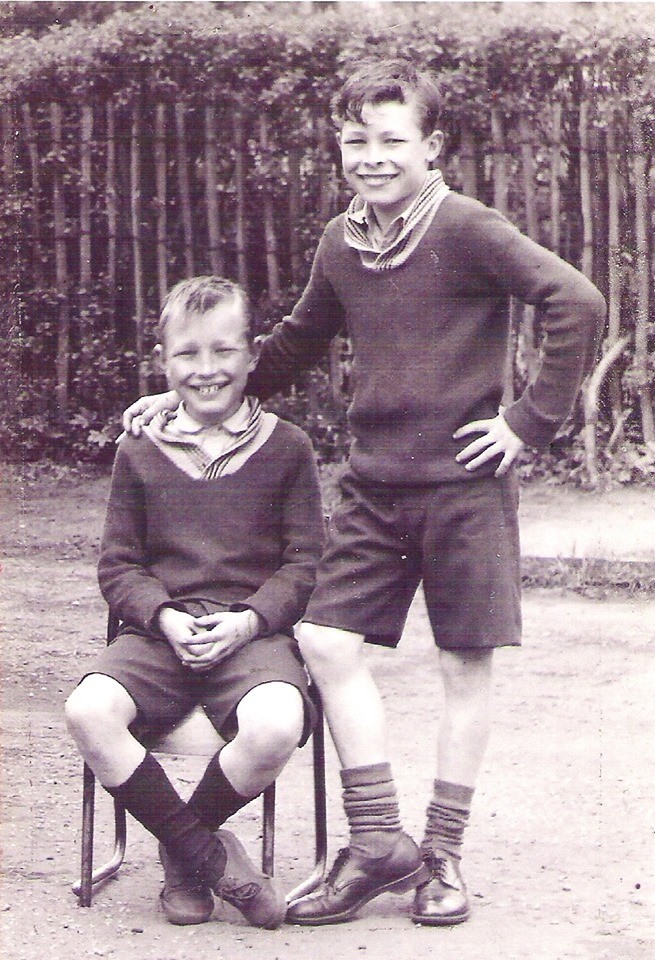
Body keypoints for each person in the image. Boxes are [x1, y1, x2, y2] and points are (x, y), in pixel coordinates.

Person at [122, 60, 606, 927]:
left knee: (463, 665)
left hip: (465, 487)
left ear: (430, 146)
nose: (373, 157)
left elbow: (574, 299)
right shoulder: (341, 242)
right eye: (356, 141)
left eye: (392, 141)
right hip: (375, 487)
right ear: (340, 148)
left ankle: (443, 854)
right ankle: (378, 838)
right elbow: (297, 343)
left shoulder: (466, 226)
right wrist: (192, 392)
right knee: (326, 641)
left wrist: (528, 425)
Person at [65, 276, 324, 929]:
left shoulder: (287, 447)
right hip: (158, 634)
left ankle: (185, 855)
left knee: (275, 723)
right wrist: (162, 614)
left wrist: (250, 621)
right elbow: (118, 565)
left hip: (252, 635)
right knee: (87, 711)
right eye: (187, 354)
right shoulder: (140, 448)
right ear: (163, 361)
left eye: (222, 351)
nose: (206, 370)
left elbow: (303, 566)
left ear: (251, 353)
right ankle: (208, 857)